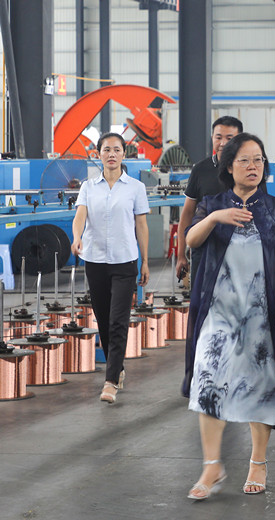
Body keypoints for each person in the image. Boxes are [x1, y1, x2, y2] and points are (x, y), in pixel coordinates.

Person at [183, 133, 275, 500]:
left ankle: (258, 461)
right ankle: (211, 465)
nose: (253, 167)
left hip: (261, 312)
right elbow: (191, 240)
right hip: (217, 311)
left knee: (260, 383)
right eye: (245, 160)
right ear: (229, 167)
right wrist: (215, 217)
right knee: (208, 381)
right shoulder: (211, 204)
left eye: (258, 160)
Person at [70, 132, 150, 404]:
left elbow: (141, 225)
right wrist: (77, 237)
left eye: (117, 149)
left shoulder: (135, 188)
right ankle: (118, 368)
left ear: (124, 154)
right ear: (99, 154)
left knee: (118, 321)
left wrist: (145, 261)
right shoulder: (88, 187)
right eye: (106, 150)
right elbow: (80, 215)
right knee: (103, 320)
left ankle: (111, 380)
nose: (111, 154)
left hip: (125, 261)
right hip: (95, 261)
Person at [175, 116, 243, 285]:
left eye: (229, 138)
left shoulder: (249, 169)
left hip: (240, 253)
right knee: (202, 298)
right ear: (212, 138)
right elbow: (187, 213)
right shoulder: (200, 170)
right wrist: (181, 255)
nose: (223, 143)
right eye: (218, 137)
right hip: (204, 251)